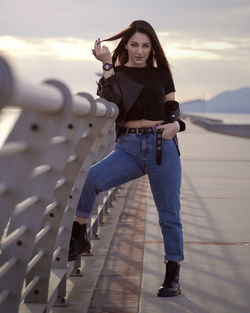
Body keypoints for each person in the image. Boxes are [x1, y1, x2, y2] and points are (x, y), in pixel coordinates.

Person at [68, 20, 185, 297]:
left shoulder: (162, 74)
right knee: (89, 179)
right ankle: (79, 235)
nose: (140, 51)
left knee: (169, 214)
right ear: (126, 46)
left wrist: (177, 125)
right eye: (134, 44)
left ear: (152, 47)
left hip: (161, 146)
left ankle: (172, 273)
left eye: (145, 45)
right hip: (127, 148)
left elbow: (172, 109)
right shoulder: (115, 73)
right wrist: (107, 64)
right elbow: (112, 103)